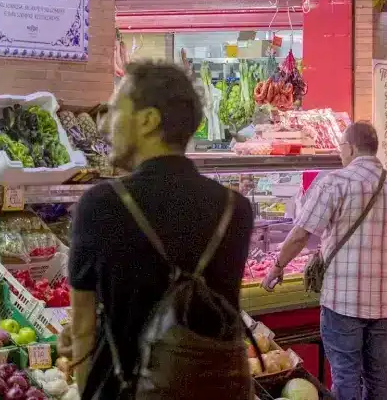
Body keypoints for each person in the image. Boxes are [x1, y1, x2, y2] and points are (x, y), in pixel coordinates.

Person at [69, 61, 254, 399]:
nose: (106, 125)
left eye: (114, 111)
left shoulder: (100, 204)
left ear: (148, 120)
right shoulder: (235, 209)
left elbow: (82, 328)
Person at [261, 122, 387, 400]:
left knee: (345, 376)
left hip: (342, 303)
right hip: (383, 303)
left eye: (341, 148)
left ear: (351, 148)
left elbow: (301, 233)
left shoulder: (335, 182)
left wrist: (278, 266)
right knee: (379, 378)